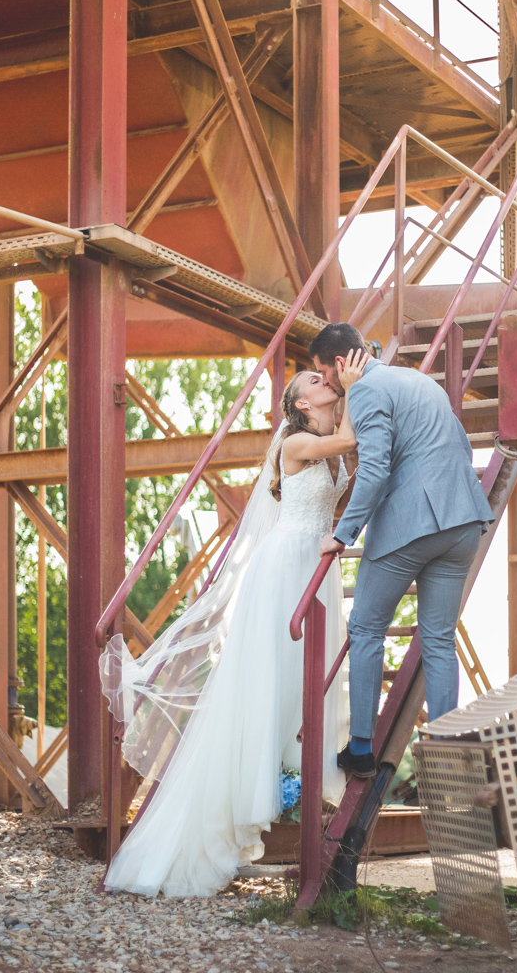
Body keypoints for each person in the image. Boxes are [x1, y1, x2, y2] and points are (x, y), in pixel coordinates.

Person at [98, 353, 367, 897]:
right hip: (284, 567)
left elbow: (353, 450)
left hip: (313, 571)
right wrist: (358, 388)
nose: (328, 381)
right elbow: (346, 444)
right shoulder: (294, 443)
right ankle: (216, 825)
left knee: (299, 688)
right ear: (298, 403)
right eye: (316, 380)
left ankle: (273, 797)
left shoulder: (329, 429)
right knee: (265, 688)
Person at [311, 322, 494, 779]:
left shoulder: (368, 392)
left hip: (412, 527)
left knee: (367, 628)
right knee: (437, 637)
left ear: (339, 364)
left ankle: (360, 748)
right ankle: (448, 745)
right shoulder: (415, 379)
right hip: (463, 521)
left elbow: (373, 471)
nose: (328, 385)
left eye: (323, 374)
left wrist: (344, 534)